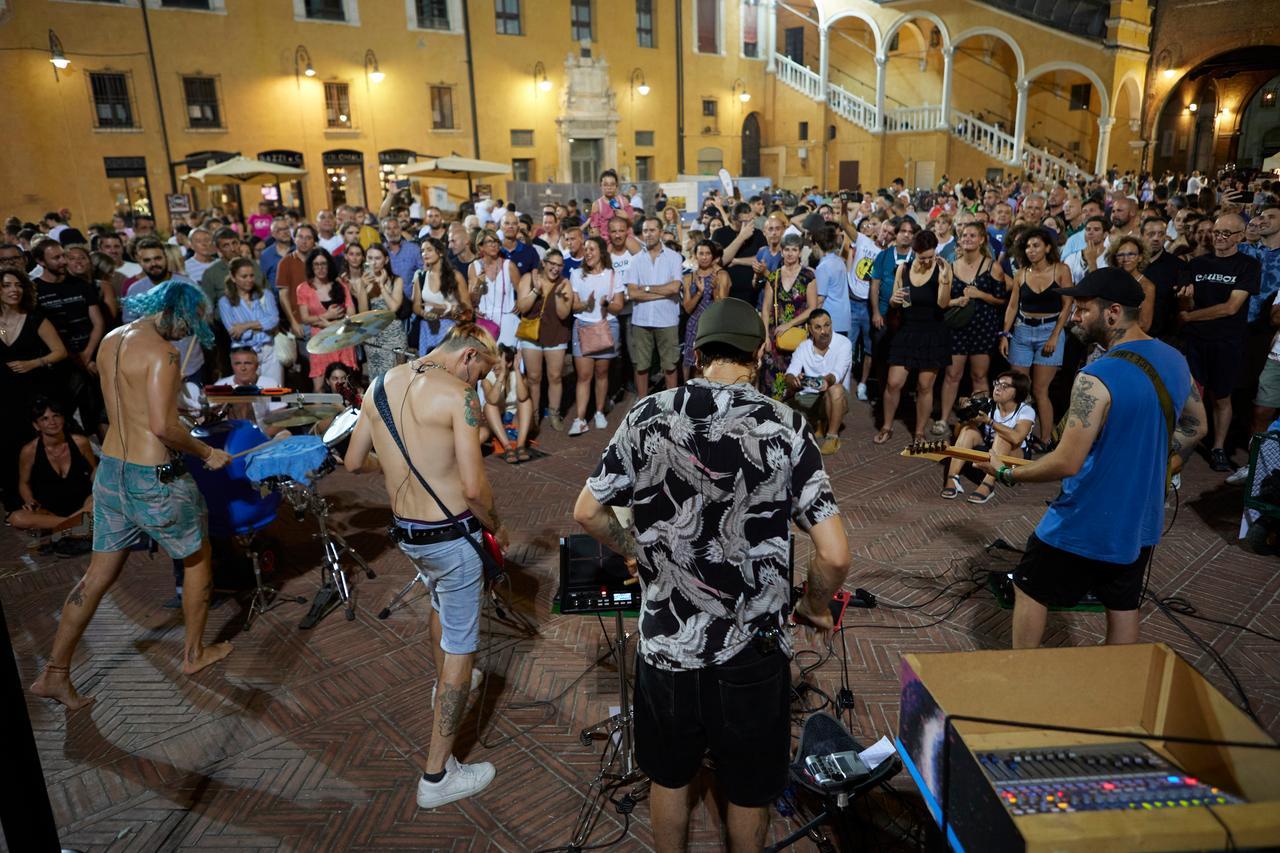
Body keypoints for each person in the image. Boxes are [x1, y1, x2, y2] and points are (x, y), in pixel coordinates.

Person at [573, 297, 849, 853]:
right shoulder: (786, 425)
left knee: (670, 775)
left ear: (697, 354)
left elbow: (586, 511)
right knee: (749, 786)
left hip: (666, 644)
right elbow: (836, 554)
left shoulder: (647, 414)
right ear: (760, 353)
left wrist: (636, 550)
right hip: (753, 649)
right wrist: (815, 606)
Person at [30, 281, 234, 710]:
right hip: (155, 479)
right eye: (187, 323)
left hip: (112, 473)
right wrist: (207, 451)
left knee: (96, 577)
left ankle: (54, 672)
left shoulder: (111, 339)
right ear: (176, 312)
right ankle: (195, 655)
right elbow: (162, 428)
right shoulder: (164, 353)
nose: (185, 333)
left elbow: (134, 404)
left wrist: (183, 411)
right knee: (198, 557)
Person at [979, 269, 1202, 648]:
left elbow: (1066, 462)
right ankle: (1115, 691)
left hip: (1086, 515)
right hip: (1142, 514)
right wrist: (1156, 465)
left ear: (1113, 312)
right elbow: (1195, 427)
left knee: (1030, 589)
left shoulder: (1095, 376)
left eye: (1082, 309)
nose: (1074, 316)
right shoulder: (1175, 359)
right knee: (1122, 604)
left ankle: (1019, 680)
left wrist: (1007, 474)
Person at [343, 322, 504, 808]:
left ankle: (444, 685)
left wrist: (402, 463)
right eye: (482, 372)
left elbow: (353, 462)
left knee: (440, 607)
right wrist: (500, 528)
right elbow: (475, 490)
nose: (478, 383)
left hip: (410, 535)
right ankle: (437, 776)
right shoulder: (459, 395)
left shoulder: (378, 385)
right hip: (453, 535)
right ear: (470, 357)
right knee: (462, 649)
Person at [1179, 212, 1261, 472]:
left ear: (1240, 236)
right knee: (1192, 394)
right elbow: (1185, 302)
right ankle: (1188, 441)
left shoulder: (1247, 265)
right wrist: (1184, 301)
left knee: (1221, 397)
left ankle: (1217, 447)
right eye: (1217, 232)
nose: (1220, 238)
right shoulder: (1198, 264)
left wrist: (1191, 316)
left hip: (1227, 341)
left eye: (1227, 233)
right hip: (1196, 341)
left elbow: (1230, 308)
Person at [0, 269, 69, 508]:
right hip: (4, 396)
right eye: (7, 285)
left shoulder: (34, 319)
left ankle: (43, 500)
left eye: (18, 285)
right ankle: (14, 501)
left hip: (33, 394)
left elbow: (60, 351)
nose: (13, 290)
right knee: (7, 448)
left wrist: (33, 363)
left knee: (35, 446)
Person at [877, 230, 953, 444]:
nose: (928, 261)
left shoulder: (942, 269)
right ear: (914, 252)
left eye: (931, 256)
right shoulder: (904, 268)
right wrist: (894, 299)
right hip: (908, 331)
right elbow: (897, 304)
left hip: (932, 333)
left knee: (924, 386)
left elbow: (943, 304)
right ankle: (886, 426)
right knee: (893, 383)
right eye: (923, 257)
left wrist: (945, 279)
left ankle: (919, 432)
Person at [999, 228, 1073, 446]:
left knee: (1040, 390)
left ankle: (1046, 437)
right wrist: (1005, 334)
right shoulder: (1021, 273)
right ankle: (1016, 436)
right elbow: (1013, 306)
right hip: (1022, 331)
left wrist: (1054, 336)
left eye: (1036, 245)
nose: (1031, 250)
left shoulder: (1061, 270)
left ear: (1048, 247)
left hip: (1049, 331)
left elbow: (1067, 304)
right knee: (1019, 388)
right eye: (1028, 247)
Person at [939, 223, 1007, 432]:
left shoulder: (992, 266)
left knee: (979, 376)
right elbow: (943, 301)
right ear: (959, 240)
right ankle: (942, 419)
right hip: (958, 329)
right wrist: (956, 300)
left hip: (983, 328)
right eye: (964, 235)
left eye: (972, 235)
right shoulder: (951, 266)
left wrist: (981, 295)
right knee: (952, 375)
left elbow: (1002, 300)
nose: (967, 238)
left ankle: (982, 421)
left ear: (982, 240)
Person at [9, 398, 96, 540]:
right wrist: (29, 501)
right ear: (36, 425)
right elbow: (24, 483)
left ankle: (60, 527)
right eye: (44, 419)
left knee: (98, 500)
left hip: (84, 504)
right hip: (51, 510)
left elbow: (94, 471)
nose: (52, 422)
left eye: (56, 416)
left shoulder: (80, 442)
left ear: (63, 418)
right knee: (16, 518)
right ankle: (76, 525)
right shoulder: (29, 451)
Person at [941, 372, 1034, 503]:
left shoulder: (1025, 410)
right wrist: (966, 415)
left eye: (1005, 386)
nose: (998, 388)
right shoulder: (988, 404)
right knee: (968, 431)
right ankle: (952, 478)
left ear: (1016, 392)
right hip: (991, 453)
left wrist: (989, 421)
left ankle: (988, 485)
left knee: (1002, 437)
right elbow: (957, 434)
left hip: (1014, 459)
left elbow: (1017, 438)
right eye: (997, 383)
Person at [567, 236, 626, 436]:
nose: (588, 253)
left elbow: (619, 305)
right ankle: (580, 418)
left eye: (592, 248)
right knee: (583, 376)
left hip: (606, 326)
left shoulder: (612, 275)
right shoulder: (576, 274)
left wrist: (606, 304)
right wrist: (586, 304)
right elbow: (572, 305)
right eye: (586, 249)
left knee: (602, 373)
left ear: (601, 252)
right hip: (583, 326)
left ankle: (600, 411)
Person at [624, 217, 684, 398]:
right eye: (645, 230)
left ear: (660, 231)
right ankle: (642, 403)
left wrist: (648, 288)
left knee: (670, 366)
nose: (648, 234)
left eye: (652, 230)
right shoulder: (635, 260)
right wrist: (663, 292)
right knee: (641, 366)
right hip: (641, 320)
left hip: (667, 319)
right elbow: (633, 293)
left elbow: (675, 288)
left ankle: (670, 404)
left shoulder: (674, 257)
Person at [514, 248, 573, 431]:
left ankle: (554, 413)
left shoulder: (565, 284)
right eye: (552, 264)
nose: (555, 269)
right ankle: (533, 414)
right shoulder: (528, 278)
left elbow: (564, 314)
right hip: (532, 334)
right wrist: (535, 291)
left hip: (556, 333)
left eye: (559, 265)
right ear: (544, 263)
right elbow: (522, 307)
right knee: (533, 377)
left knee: (555, 376)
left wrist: (557, 296)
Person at [784, 309, 852, 455]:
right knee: (784, 417)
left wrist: (826, 381)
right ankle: (819, 421)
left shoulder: (843, 343)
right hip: (809, 396)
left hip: (837, 397)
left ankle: (832, 436)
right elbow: (790, 373)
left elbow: (837, 373)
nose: (824, 331)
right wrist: (794, 381)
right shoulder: (803, 347)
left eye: (827, 325)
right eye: (818, 327)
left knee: (835, 389)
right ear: (810, 329)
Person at [761, 233, 819, 399]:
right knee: (771, 382)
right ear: (782, 251)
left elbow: (812, 308)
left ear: (800, 252)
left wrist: (789, 324)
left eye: (794, 249)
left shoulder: (808, 276)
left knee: (796, 381)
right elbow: (765, 308)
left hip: (799, 336)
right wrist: (765, 336)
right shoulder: (774, 276)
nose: (790, 253)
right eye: (787, 249)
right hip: (775, 337)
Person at [295, 248, 356, 391]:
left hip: (342, 339)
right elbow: (305, 318)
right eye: (316, 264)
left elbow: (351, 315)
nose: (320, 268)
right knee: (319, 386)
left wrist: (327, 323)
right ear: (311, 266)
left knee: (346, 386)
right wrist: (328, 316)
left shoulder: (340, 285)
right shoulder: (304, 288)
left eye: (324, 264)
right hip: (321, 341)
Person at [218, 257, 282, 386]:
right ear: (233, 277)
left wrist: (245, 325)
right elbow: (236, 333)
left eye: (251, 276)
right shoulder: (225, 302)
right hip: (244, 354)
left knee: (274, 391)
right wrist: (261, 326)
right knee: (250, 395)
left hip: (269, 350)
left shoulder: (265, 295)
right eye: (244, 276)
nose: (249, 280)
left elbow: (273, 320)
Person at [352, 242, 407, 380]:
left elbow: (394, 308)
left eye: (377, 258)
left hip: (394, 336)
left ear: (386, 260)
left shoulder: (396, 280)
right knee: (376, 380)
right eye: (370, 258)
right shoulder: (361, 282)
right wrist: (363, 288)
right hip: (373, 338)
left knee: (395, 379)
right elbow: (363, 313)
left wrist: (382, 285)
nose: (373, 262)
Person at [211, 346, 289, 435]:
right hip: (232, 436)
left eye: (247, 363)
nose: (243, 368)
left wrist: (260, 438)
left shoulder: (270, 384)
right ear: (232, 366)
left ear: (256, 366)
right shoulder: (220, 386)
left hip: (265, 435)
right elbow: (213, 422)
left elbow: (281, 419)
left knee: (285, 434)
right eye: (237, 363)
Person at [680, 238, 730, 376]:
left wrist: (714, 289)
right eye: (701, 253)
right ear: (695, 255)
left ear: (713, 256)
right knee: (692, 366)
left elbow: (722, 307)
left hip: (713, 326)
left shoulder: (721, 275)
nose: (704, 257)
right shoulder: (688, 278)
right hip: (694, 326)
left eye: (707, 253)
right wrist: (700, 293)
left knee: (712, 366)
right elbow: (688, 308)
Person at [414, 237, 471, 355]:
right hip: (428, 329)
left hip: (450, 328)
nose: (425, 253)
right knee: (428, 369)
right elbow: (416, 306)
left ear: (439, 252)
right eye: (422, 251)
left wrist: (449, 309)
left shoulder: (455, 276)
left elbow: (468, 309)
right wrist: (425, 313)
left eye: (429, 250)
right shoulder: (420, 276)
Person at [480, 344, 533, 463]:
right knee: (489, 406)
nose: (494, 366)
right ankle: (508, 447)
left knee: (527, 402)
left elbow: (523, 396)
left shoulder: (518, 376)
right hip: (495, 422)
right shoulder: (487, 379)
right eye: (492, 362)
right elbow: (492, 400)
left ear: (509, 364)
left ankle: (520, 446)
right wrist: (501, 376)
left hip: (515, 420)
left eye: (499, 362)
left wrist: (518, 370)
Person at [469, 229, 520, 348]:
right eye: (489, 242)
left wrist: (519, 302)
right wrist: (478, 284)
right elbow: (471, 301)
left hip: (508, 321)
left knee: (504, 361)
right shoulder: (474, 267)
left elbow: (522, 292)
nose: (494, 244)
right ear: (480, 246)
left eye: (496, 241)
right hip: (485, 322)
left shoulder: (509, 266)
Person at [1105, 237, 1156, 333]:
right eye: (1120, 255)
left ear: (1140, 257)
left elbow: (1144, 325)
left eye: (1131, 254)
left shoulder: (1147, 287)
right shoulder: (1110, 281)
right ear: (1114, 258)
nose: (1125, 259)